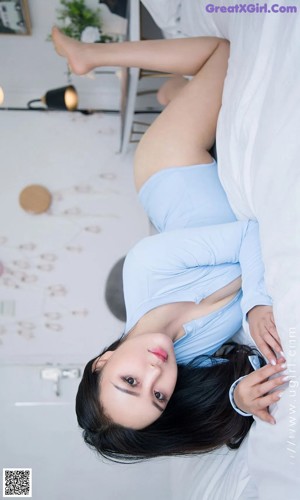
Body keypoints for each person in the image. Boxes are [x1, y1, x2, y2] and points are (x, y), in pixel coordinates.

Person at [51, 28, 288, 462]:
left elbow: (249, 232)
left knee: (221, 53)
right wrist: (238, 399)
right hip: (192, 217)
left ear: (102, 363)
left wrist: (256, 304)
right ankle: (173, 92)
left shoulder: (144, 268)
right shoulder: (185, 366)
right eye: (158, 396)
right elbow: (231, 392)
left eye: (129, 381)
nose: (155, 371)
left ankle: (89, 55)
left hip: (170, 167)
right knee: (190, 92)